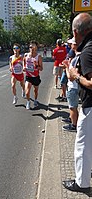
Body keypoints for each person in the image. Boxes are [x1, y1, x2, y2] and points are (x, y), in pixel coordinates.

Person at [63, 13, 92, 193]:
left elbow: (91, 82)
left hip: (90, 106)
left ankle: (82, 183)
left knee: (82, 144)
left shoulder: (88, 50)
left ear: (76, 31)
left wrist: (75, 75)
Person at [62, 37, 80, 132]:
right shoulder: (81, 57)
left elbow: (70, 76)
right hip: (78, 86)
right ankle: (73, 120)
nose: (70, 45)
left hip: (73, 86)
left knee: (73, 107)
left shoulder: (75, 59)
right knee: (74, 107)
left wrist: (66, 66)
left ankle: (74, 125)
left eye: (72, 43)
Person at [23, 40, 43, 110]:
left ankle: (35, 100)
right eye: (30, 47)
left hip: (36, 77)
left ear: (36, 48)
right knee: (27, 91)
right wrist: (24, 67)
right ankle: (28, 102)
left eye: (33, 47)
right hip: (28, 76)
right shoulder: (26, 55)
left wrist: (36, 65)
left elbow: (41, 68)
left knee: (35, 90)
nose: (31, 48)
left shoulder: (38, 56)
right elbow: (24, 61)